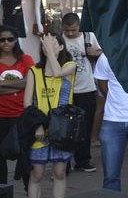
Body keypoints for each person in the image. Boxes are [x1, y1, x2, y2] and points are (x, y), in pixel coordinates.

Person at [23, 33, 77, 198]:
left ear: (62, 47)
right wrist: (38, 125)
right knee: (37, 173)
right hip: (41, 129)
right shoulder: (34, 71)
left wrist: (51, 53)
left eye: (53, 42)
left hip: (62, 129)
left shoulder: (70, 65)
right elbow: (27, 103)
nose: (47, 45)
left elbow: (58, 73)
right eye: (45, 43)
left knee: (59, 172)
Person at [93, 54, 128, 195]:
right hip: (113, 120)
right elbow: (102, 83)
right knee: (110, 176)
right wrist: (116, 99)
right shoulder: (105, 57)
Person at [61, 12, 101, 172]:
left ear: (79, 26)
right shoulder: (59, 39)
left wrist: (95, 53)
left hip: (87, 88)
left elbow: (102, 52)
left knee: (85, 126)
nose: (70, 33)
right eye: (67, 31)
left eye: (73, 30)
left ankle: (83, 160)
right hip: (65, 90)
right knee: (65, 128)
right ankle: (64, 164)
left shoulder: (88, 36)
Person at [0, 25, 34, 185]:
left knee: (25, 155)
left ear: (16, 41)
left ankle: (30, 191)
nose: (6, 43)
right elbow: (25, 83)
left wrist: (2, 85)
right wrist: (21, 85)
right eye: (2, 40)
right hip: (1, 116)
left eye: (10, 39)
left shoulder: (25, 59)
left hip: (22, 115)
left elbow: (31, 83)